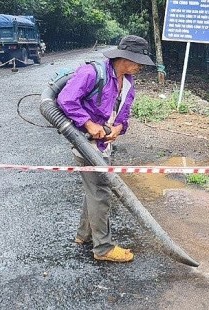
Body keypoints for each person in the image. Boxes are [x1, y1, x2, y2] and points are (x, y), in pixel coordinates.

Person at [56, 35, 155, 263]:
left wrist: (119, 128)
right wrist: (88, 123)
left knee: (94, 189)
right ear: (123, 57)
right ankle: (103, 248)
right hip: (85, 143)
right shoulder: (92, 73)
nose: (139, 66)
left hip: (104, 143)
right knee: (101, 191)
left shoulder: (128, 83)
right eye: (137, 61)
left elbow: (124, 114)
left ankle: (84, 235)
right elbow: (66, 99)